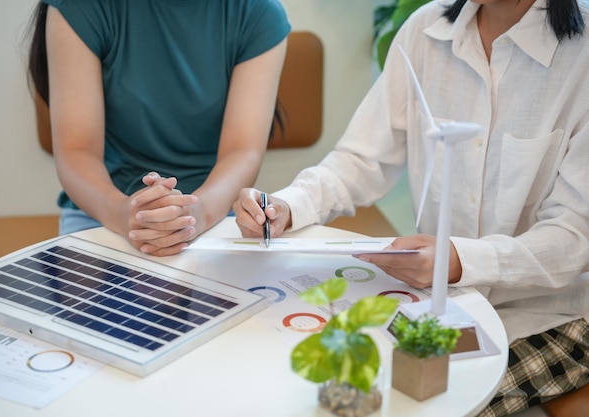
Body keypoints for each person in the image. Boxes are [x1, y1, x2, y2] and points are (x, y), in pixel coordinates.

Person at [233, 0, 589, 415]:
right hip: (439, 306)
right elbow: (361, 160)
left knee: (414, 403)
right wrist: (287, 206)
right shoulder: (425, 31)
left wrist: (458, 260)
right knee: (324, 382)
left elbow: (573, 236)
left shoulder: (580, 56)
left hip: (551, 314)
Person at [26, 0, 290, 257]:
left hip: (215, 208)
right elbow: (77, 150)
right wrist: (122, 213)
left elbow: (241, 151)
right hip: (101, 208)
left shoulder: (259, 12)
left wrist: (196, 215)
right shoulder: (79, 7)